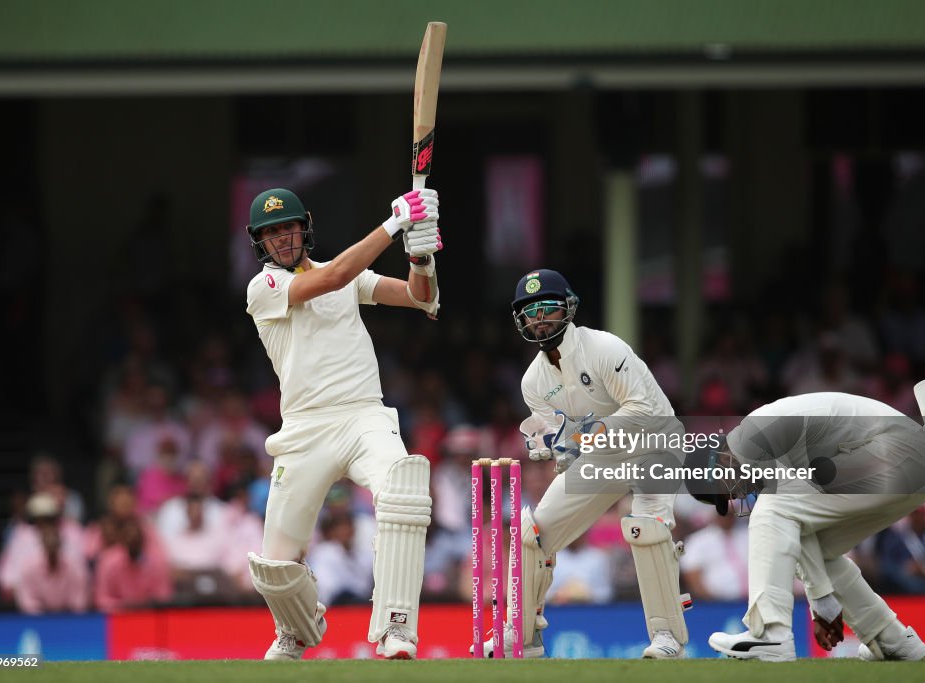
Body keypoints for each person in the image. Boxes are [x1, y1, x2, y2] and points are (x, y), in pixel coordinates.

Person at [242, 187, 442, 661]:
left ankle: (397, 626)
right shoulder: (264, 288)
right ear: (260, 243)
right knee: (274, 564)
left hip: (363, 415)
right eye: (272, 233)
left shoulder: (350, 276)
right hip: (304, 429)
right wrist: (392, 225)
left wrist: (420, 254)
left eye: (288, 226)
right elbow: (333, 277)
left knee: (403, 490)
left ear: (305, 226)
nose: (282, 238)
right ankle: (296, 628)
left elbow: (420, 297)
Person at [491, 268, 690, 659]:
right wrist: (550, 443)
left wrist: (580, 437)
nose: (539, 319)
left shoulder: (604, 349)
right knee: (534, 533)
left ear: (568, 308)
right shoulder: (533, 382)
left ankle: (668, 638)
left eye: (547, 309)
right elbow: (561, 439)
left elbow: (642, 408)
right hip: (604, 454)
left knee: (646, 527)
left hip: (654, 442)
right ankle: (522, 636)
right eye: (531, 313)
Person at [690, 379, 925, 662]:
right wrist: (822, 604)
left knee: (771, 508)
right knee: (816, 546)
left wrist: (822, 602)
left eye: (725, 490)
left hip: (896, 452)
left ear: (717, 462)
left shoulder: (753, 435)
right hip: (919, 467)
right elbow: (805, 537)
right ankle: (891, 639)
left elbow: (787, 512)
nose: (735, 496)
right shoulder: (758, 454)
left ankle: (769, 632)